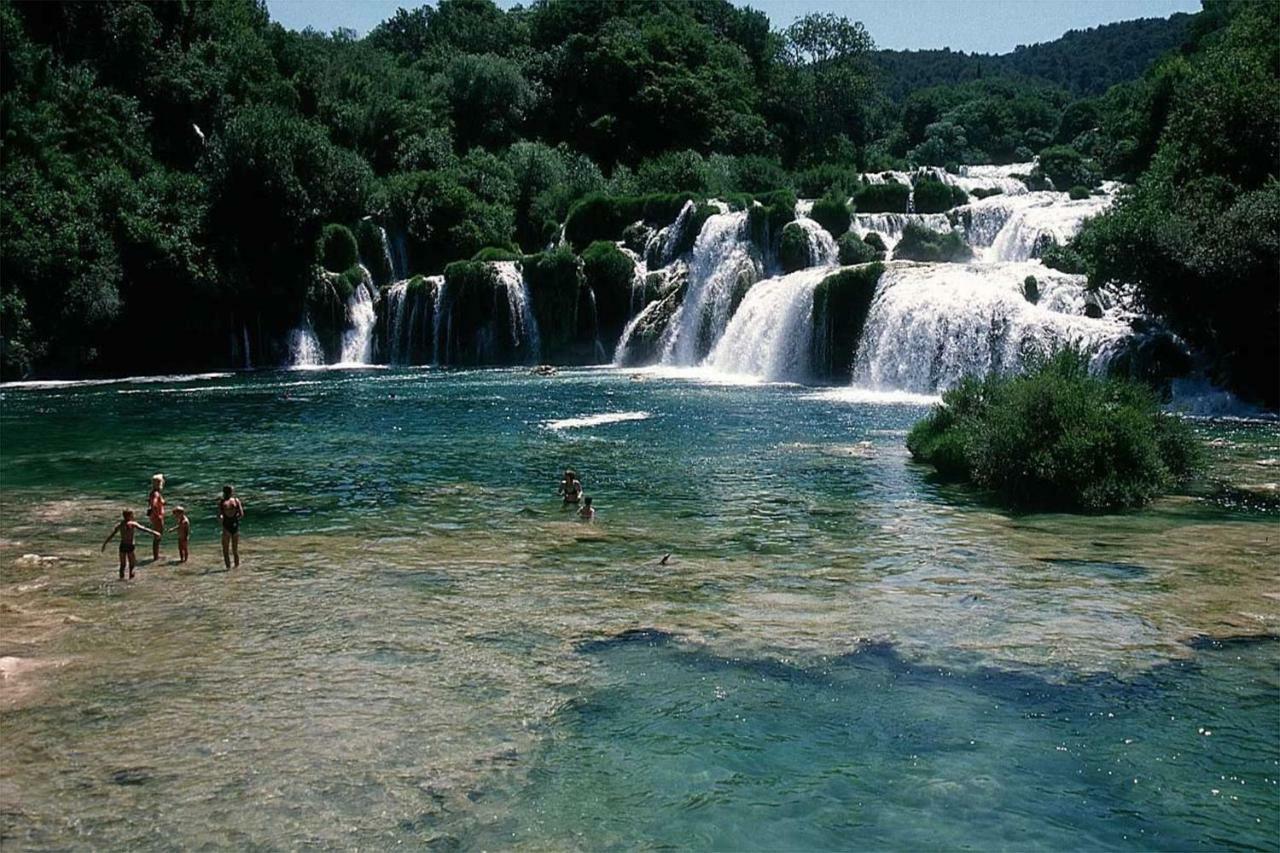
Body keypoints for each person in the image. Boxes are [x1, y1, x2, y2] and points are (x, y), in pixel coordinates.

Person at [101, 509, 160, 580]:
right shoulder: (133, 524)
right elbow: (144, 529)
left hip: (122, 546)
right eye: (132, 514)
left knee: (122, 565)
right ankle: (131, 580)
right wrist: (154, 532)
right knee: (132, 565)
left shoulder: (120, 525)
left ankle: (121, 579)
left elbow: (112, 535)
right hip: (130, 546)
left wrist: (105, 543)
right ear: (130, 516)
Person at [218, 485, 244, 569]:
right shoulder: (236, 501)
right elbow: (241, 514)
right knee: (235, 550)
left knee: (225, 551)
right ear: (231, 492)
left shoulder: (222, 502)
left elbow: (220, 515)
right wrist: (234, 519)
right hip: (235, 525)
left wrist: (222, 520)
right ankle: (236, 567)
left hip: (226, 526)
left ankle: (228, 568)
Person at [147, 473, 166, 561]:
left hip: (155, 516)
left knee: (157, 536)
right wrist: (158, 515)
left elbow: (150, 505)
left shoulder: (152, 493)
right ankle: (156, 556)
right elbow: (154, 505)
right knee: (157, 537)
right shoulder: (156, 494)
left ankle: (156, 555)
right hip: (157, 517)